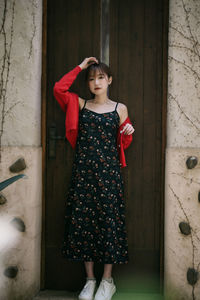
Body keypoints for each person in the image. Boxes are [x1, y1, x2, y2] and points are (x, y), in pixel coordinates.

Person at [53, 57, 135, 300]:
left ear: (109, 80)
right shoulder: (80, 104)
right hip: (83, 174)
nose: (96, 82)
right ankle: (89, 280)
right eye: (91, 79)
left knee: (109, 225)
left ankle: (107, 281)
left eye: (101, 77)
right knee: (84, 224)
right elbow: (59, 88)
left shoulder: (120, 108)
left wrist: (127, 131)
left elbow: (124, 142)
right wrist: (80, 66)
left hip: (109, 175)